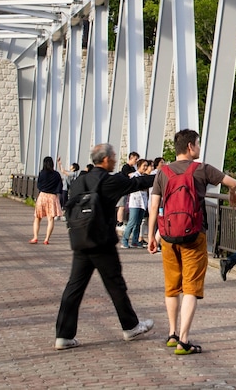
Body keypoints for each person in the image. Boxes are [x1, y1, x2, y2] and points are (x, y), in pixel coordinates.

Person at [55, 143, 157, 350]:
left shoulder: (80, 180)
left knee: (74, 288)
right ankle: (130, 327)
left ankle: (63, 336)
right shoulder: (108, 181)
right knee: (115, 285)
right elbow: (138, 183)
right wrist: (164, 176)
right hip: (101, 242)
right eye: (113, 157)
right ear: (105, 159)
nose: (115, 160)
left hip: (80, 239)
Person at [147, 129, 236, 355]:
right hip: (194, 234)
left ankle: (172, 334)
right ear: (190, 147)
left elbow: (154, 206)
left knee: (172, 287)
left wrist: (151, 235)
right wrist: (233, 193)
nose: (199, 148)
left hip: (168, 236)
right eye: (197, 144)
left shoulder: (163, 172)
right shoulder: (202, 169)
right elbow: (234, 182)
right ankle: (184, 340)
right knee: (191, 287)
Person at [31, 156, 63, 245]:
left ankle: (35, 237)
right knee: (50, 219)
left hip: (43, 196)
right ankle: (46, 239)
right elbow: (60, 186)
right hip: (52, 197)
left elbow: (39, 185)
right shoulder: (57, 174)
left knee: (37, 218)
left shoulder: (42, 173)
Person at [122, 159, 152, 249]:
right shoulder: (134, 175)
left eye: (146, 166)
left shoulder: (145, 177)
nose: (145, 167)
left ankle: (135, 241)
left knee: (138, 223)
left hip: (143, 202)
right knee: (132, 222)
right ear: (139, 166)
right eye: (144, 166)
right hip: (135, 202)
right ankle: (125, 240)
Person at [117, 151, 140, 227]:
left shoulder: (133, 168)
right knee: (122, 206)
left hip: (128, 189)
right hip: (123, 189)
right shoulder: (126, 167)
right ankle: (119, 222)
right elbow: (131, 175)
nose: (136, 161)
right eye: (135, 159)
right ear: (131, 158)